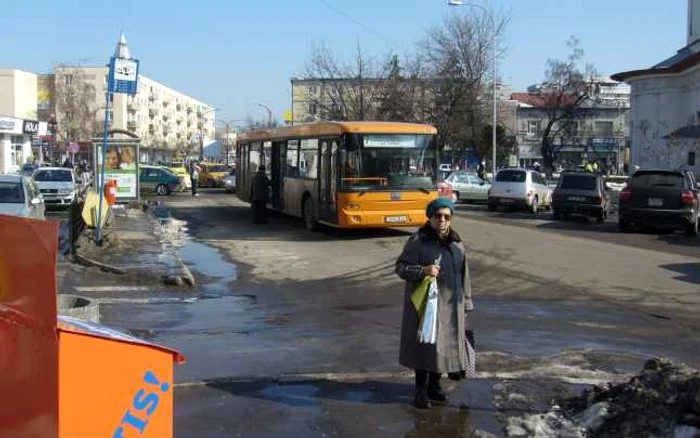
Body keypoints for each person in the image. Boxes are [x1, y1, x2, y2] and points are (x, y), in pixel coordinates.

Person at [396, 198, 474, 409]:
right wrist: (423, 270)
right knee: (425, 347)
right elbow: (401, 268)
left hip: (451, 306)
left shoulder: (456, 243)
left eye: (446, 216)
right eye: (437, 216)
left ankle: (434, 386)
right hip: (425, 306)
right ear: (430, 217)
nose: (442, 220)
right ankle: (420, 391)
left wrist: (466, 303)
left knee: (444, 347)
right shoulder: (418, 241)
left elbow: (463, 275)